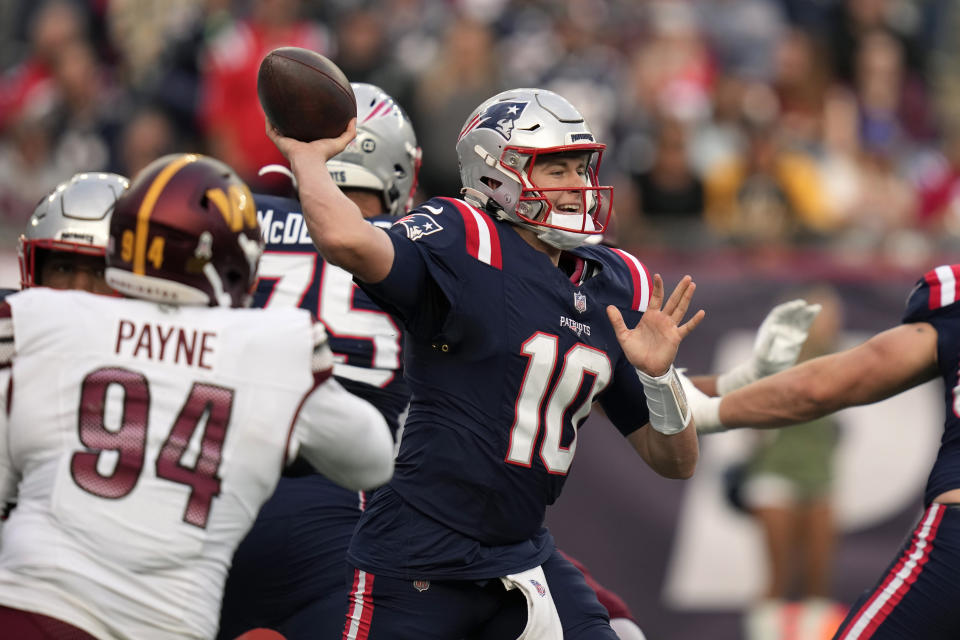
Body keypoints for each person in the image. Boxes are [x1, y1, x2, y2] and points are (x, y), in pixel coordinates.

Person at [266, 84, 708, 640]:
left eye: (581, 167)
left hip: (520, 553)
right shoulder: (465, 239)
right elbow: (347, 239)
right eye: (557, 170)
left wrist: (658, 377)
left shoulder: (616, 284)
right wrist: (307, 158)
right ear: (497, 174)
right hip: (418, 557)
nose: (578, 187)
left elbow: (676, 462)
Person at [0, 153, 395, 639]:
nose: (80, 289)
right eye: (63, 269)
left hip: (30, 607)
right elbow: (373, 461)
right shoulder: (273, 346)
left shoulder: (36, 319)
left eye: (94, 271)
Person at [218, 82, 419, 640]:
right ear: (399, 172)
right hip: (344, 507)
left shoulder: (235, 218)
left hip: (205, 486)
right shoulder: (426, 247)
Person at [682, 265, 960, 640]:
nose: (831, 321)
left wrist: (697, 407)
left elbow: (821, 390)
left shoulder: (839, 355)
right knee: (779, 580)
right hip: (777, 473)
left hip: (819, 477)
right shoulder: (781, 359)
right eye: (824, 312)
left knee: (817, 582)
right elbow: (806, 392)